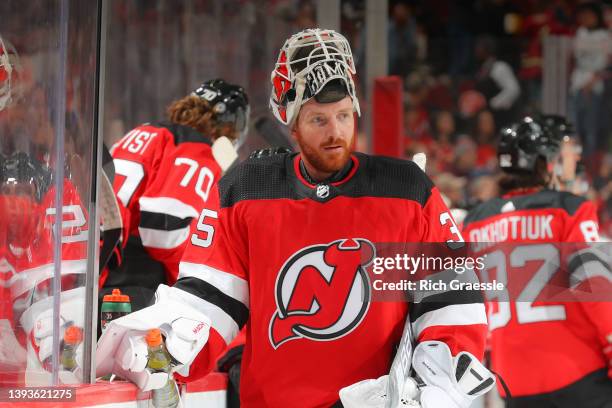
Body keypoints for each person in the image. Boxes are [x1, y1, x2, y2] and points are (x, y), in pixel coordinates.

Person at [97, 29, 494, 407]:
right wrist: (166, 343)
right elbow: (211, 296)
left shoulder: (407, 189)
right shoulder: (245, 189)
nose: (336, 132)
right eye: (319, 120)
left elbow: (452, 297)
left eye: (343, 115)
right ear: (291, 121)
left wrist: (439, 385)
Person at [463, 116, 612, 407]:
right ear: (545, 163)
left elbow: (469, 303)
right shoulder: (570, 209)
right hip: (576, 370)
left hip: (512, 380)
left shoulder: (474, 222)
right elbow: (597, 286)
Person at [102, 79, 249, 311]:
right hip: (133, 284)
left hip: (97, 269)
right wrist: (189, 287)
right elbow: (165, 227)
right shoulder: (197, 149)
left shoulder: (143, 131)